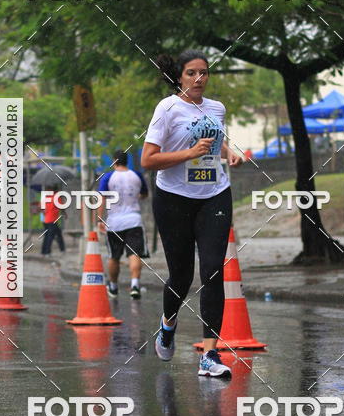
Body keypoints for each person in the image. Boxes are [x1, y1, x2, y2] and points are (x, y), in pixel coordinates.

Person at [141, 50, 244, 378]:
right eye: (191, 73)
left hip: (214, 195)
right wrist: (189, 153)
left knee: (214, 270)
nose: (199, 79)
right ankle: (168, 323)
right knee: (182, 276)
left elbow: (213, 141)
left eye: (204, 73)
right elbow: (148, 159)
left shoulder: (217, 108)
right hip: (174, 199)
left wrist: (229, 151)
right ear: (180, 77)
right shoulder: (167, 109)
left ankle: (210, 355)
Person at [98, 150, 149, 299]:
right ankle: (134, 285)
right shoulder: (137, 175)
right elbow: (145, 194)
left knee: (114, 256)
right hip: (134, 220)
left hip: (114, 222)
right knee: (134, 254)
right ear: (127, 161)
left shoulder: (108, 177)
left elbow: (101, 199)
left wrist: (99, 220)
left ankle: (113, 287)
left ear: (114, 161)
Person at [41, 189, 66, 256]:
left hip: (46, 220)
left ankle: (44, 251)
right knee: (51, 236)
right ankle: (47, 252)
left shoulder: (46, 197)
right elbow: (62, 207)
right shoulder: (57, 197)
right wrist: (65, 214)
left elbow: (42, 209)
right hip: (52, 221)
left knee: (49, 236)